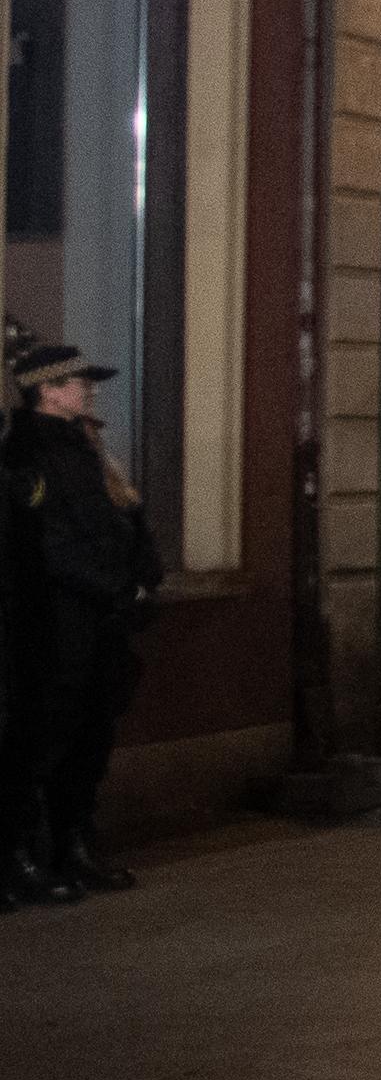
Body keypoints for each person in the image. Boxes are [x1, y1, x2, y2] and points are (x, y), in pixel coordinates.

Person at [2, 336, 158, 904]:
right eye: (78, 382)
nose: (87, 390)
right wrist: (113, 589)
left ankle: (74, 849)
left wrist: (142, 581)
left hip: (100, 624)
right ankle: (19, 860)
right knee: (42, 741)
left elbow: (122, 525)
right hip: (57, 628)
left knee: (91, 739)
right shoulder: (28, 454)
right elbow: (51, 546)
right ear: (48, 390)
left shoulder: (83, 447)